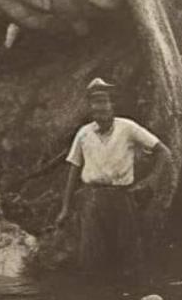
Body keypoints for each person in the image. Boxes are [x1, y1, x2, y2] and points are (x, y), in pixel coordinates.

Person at [58, 77, 173, 279]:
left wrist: (151, 181)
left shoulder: (127, 128)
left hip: (122, 199)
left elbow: (164, 152)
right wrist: (65, 208)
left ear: (113, 104)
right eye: (95, 102)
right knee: (92, 258)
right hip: (92, 200)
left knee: (128, 257)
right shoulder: (83, 133)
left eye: (104, 101)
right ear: (90, 106)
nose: (100, 106)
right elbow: (74, 169)